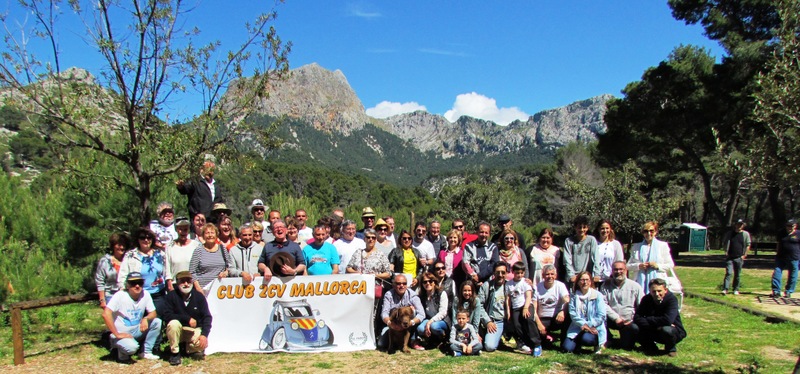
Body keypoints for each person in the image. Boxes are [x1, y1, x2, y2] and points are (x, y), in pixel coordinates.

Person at [102, 272, 162, 362]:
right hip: (121, 333)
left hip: (136, 330)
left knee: (157, 322)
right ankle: (119, 351)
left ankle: (146, 352)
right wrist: (117, 334)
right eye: (133, 283)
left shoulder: (145, 294)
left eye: (140, 283)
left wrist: (146, 318)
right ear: (127, 285)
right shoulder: (120, 295)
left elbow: (153, 313)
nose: (137, 286)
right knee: (132, 348)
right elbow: (106, 314)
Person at [161, 271, 212, 365]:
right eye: (182, 281)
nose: (186, 284)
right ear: (177, 282)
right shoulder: (171, 296)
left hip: (192, 330)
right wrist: (187, 319)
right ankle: (175, 353)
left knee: (200, 345)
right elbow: (166, 315)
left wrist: (204, 335)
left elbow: (207, 317)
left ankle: (184, 348)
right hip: (178, 329)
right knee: (173, 324)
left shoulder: (199, 296)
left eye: (188, 281)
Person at [117, 227, 167, 312]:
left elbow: (165, 273)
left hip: (158, 294)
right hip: (139, 295)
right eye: (142, 238)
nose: (146, 240)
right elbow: (122, 275)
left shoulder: (160, 254)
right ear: (138, 240)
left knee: (158, 321)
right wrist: (124, 292)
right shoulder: (131, 255)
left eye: (149, 238)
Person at [634, 278, 686, 357]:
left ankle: (670, 349)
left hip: (674, 331)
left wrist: (648, 319)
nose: (657, 294)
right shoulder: (646, 299)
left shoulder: (671, 300)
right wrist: (656, 325)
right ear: (650, 291)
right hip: (654, 329)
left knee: (667, 329)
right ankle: (650, 347)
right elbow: (637, 318)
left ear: (665, 290)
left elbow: (668, 320)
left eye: (659, 291)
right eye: (654, 291)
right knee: (635, 327)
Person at [599, 261, 643, 350]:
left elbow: (641, 305)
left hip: (629, 320)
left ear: (626, 270)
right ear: (612, 271)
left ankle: (628, 340)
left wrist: (632, 319)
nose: (618, 272)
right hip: (611, 319)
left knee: (626, 346)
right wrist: (616, 318)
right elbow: (603, 304)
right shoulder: (605, 286)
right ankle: (608, 339)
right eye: (615, 269)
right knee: (598, 316)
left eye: (621, 269)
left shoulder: (635, 286)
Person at [378, 274, 425, 350]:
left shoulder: (413, 295)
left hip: (408, 325)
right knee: (381, 343)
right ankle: (394, 343)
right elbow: (384, 313)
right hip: (393, 324)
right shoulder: (388, 295)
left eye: (404, 283)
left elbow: (422, 314)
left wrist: (411, 322)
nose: (401, 286)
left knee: (414, 311)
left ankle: (412, 340)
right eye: (398, 283)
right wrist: (390, 324)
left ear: (407, 285)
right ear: (393, 285)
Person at [563, 271, 606, 354]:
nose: (585, 282)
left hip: (594, 328)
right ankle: (577, 344)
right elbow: (573, 314)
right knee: (567, 348)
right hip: (577, 327)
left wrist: (589, 325)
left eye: (587, 280)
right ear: (578, 282)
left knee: (586, 339)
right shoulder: (574, 296)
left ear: (590, 282)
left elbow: (601, 315)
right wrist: (583, 324)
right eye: (582, 280)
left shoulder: (598, 295)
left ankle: (597, 345)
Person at [505, 261, 543, 356]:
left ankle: (537, 344)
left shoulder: (525, 282)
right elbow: (508, 299)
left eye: (521, 273)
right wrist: (508, 312)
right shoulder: (508, 284)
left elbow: (528, 296)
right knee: (517, 326)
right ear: (513, 272)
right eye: (517, 273)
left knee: (529, 320)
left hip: (526, 305)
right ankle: (529, 344)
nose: (519, 275)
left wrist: (526, 307)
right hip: (515, 308)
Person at [627, 221, 675, 290]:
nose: (649, 233)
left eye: (651, 231)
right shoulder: (636, 247)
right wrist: (639, 266)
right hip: (639, 281)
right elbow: (628, 266)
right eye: (646, 231)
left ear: (655, 232)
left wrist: (657, 266)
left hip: (658, 283)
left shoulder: (662, 246)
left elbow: (670, 264)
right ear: (643, 233)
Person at [188, 223, 236, 292]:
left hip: (220, 289)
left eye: (212, 233)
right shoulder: (198, 250)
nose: (210, 235)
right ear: (203, 236)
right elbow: (192, 272)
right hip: (203, 289)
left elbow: (230, 266)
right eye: (207, 233)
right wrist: (198, 289)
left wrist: (226, 272)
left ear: (216, 235)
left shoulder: (222, 249)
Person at [176, 160, 224, 224]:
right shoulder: (195, 182)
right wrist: (181, 187)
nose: (209, 171)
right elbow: (185, 189)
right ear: (201, 170)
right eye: (207, 168)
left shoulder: (216, 186)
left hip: (213, 223)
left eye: (211, 169)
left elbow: (219, 202)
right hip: (198, 222)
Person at [413, 271, 449, 350]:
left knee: (434, 326)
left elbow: (443, 312)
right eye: (425, 282)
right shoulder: (422, 295)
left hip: (442, 320)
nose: (428, 283)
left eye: (430, 281)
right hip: (428, 319)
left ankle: (442, 338)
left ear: (434, 282)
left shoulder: (441, 293)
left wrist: (430, 322)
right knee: (420, 329)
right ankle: (432, 340)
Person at [535, 265, 570, 346]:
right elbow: (533, 308)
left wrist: (563, 312)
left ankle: (565, 342)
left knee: (569, 315)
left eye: (552, 274)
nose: (550, 276)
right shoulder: (537, 287)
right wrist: (539, 324)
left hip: (557, 318)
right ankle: (546, 338)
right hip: (543, 319)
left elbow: (567, 300)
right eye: (547, 274)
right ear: (543, 275)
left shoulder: (560, 286)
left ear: (555, 275)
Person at [477, 262, 508, 352]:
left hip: (508, 321)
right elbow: (480, 306)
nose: (500, 275)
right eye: (497, 272)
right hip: (494, 321)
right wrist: (488, 322)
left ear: (506, 273)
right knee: (489, 347)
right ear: (493, 273)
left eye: (503, 272)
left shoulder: (510, 285)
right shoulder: (486, 286)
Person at [95, 233, 130, 308]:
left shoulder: (129, 260)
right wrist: (102, 300)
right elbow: (100, 281)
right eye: (119, 245)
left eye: (124, 245)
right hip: (110, 296)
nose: (122, 247)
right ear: (113, 246)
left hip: (127, 296)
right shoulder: (105, 261)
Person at [563, 216, 600, 285]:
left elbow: (596, 258)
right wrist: (571, 275)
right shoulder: (569, 241)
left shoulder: (591, 240)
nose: (582, 230)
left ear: (587, 228)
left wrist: (596, 274)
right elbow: (567, 259)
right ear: (575, 228)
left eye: (584, 227)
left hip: (587, 277)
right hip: (573, 278)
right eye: (579, 227)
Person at [165, 218, 198, 292]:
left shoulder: (196, 245)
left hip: (192, 284)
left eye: (185, 229)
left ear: (188, 230)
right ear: (176, 230)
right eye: (180, 229)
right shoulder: (170, 246)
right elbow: (167, 269)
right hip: (176, 285)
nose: (183, 232)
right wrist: (170, 285)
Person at [721, 219, 751, 295]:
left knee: (737, 274)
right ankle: (725, 289)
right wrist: (726, 251)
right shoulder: (730, 234)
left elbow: (748, 245)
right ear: (735, 225)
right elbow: (725, 242)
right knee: (729, 273)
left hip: (739, 257)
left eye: (741, 224)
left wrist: (744, 255)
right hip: (730, 257)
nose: (739, 226)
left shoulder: (745, 234)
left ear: (743, 226)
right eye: (738, 224)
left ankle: (736, 289)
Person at [771, 219, 799, 298]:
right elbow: (778, 244)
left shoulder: (798, 234)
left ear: (795, 226)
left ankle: (789, 291)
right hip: (781, 257)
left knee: (793, 275)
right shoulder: (781, 233)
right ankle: (776, 291)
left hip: (794, 257)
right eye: (788, 226)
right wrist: (777, 253)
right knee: (777, 272)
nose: (789, 227)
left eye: (791, 226)